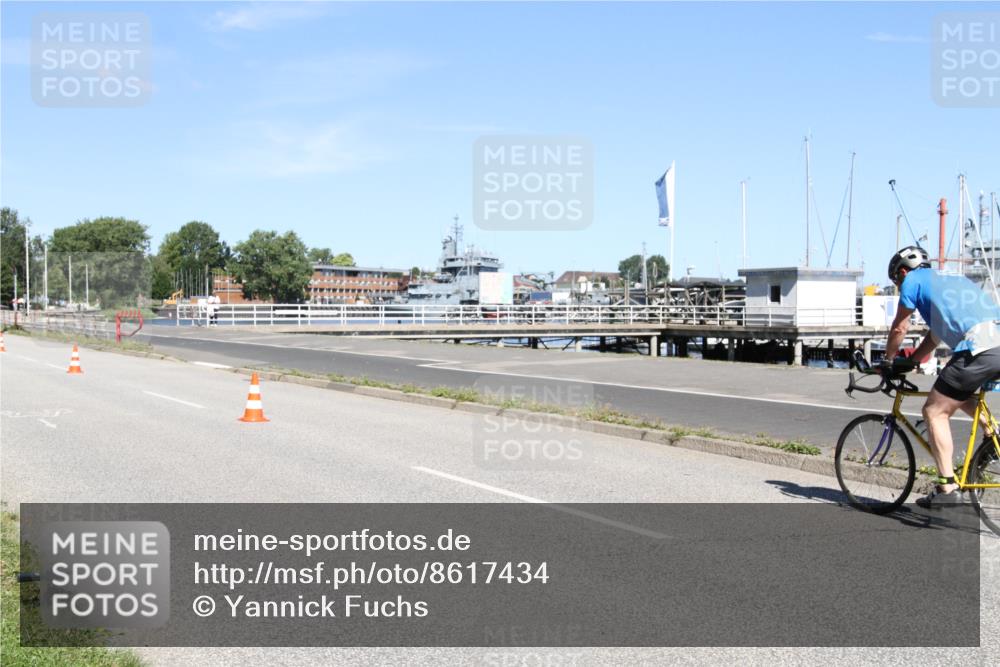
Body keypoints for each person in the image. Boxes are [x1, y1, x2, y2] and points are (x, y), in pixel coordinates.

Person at [885, 246, 1000, 507]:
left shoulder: (912, 281)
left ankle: (947, 488)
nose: (899, 286)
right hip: (997, 341)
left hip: (978, 346)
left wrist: (888, 360)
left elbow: (900, 327)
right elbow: (934, 337)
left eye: (897, 281)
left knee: (934, 411)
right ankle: (992, 431)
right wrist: (913, 361)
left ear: (902, 272)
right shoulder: (949, 278)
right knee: (953, 394)